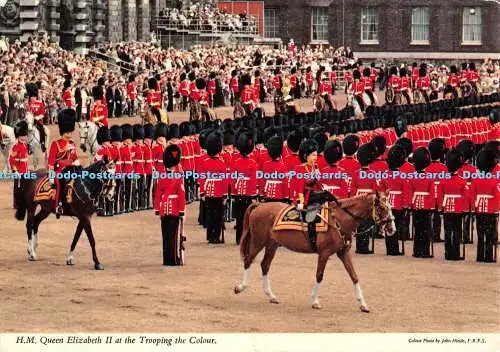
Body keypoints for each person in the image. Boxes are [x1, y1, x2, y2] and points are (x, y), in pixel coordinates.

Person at [291, 139, 327, 252]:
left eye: (316, 154)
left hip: (314, 194)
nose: (315, 157)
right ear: (305, 155)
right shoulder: (299, 168)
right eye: (313, 155)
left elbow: (318, 183)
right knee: (311, 217)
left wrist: (322, 185)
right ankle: (312, 241)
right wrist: (300, 202)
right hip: (305, 197)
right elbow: (299, 187)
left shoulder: (315, 167)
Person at [154, 144, 186, 266]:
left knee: (165, 236)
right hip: (174, 209)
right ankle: (173, 260)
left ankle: (166, 259)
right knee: (173, 236)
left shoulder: (162, 176)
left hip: (163, 209)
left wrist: (157, 208)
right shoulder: (178, 177)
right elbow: (181, 195)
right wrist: (182, 211)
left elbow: (158, 194)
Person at [47, 109, 79, 218]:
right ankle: (58, 205)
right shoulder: (55, 144)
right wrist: (51, 180)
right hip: (59, 170)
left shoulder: (72, 144)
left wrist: (78, 165)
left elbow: (75, 159)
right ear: (63, 131)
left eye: (70, 131)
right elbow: (51, 163)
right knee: (60, 182)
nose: (69, 133)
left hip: (72, 169)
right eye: (67, 131)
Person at [437, 149, 469, 261]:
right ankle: (455, 253)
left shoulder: (443, 181)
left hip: (447, 208)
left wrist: (440, 208)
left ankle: (448, 253)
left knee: (447, 231)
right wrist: (465, 209)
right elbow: (466, 197)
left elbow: (440, 196)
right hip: (458, 209)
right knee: (456, 231)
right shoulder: (462, 181)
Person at [350, 142, 381, 254]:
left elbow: (353, 189)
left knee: (359, 223)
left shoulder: (355, 173)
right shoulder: (373, 173)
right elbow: (375, 189)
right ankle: (364, 247)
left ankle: (359, 246)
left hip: (358, 199)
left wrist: (354, 200)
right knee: (366, 223)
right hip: (368, 200)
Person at [471, 149, 499, 263]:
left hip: (479, 209)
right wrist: (497, 210)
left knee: (480, 233)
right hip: (490, 209)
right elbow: (497, 198)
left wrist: (473, 209)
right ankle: (488, 256)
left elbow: (472, 196)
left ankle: (479, 256)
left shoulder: (475, 179)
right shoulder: (494, 181)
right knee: (489, 234)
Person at [230, 131, 258, 244]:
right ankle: (247, 238)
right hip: (247, 193)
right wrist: (253, 194)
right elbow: (253, 180)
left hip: (238, 193)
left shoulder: (235, 162)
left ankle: (238, 239)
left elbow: (232, 179)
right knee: (248, 218)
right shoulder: (253, 163)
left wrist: (233, 192)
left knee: (239, 218)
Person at [201, 131, 228, 244]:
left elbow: (202, 178)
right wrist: (225, 195)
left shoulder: (205, 161)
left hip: (208, 192)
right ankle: (216, 236)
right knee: (218, 216)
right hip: (218, 193)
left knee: (210, 215)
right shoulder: (222, 163)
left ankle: (210, 236)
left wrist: (202, 192)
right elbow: (224, 181)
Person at [409, 147, 434, 258]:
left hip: (416, 205)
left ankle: (417, 250)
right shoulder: (429, 177)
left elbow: (410, 193)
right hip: (426, 205)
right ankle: (425, 251)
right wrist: (432, 207)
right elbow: (433, 194)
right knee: (426, 229)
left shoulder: (412, 177)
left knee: (417, 228)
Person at [385, 145, 408, 256]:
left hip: (386, 203)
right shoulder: (402, 176)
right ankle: (394, 249)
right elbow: (405, 193)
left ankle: (389, 248)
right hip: (398, 203)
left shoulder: (385, 175)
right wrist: (405, 205)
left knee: (388, 225)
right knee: (396, 226)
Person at [427, 138, 448, 243]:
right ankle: (436, 235)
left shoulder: (426, 167)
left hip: (429, 194)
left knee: (428, 216)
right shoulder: (443, 168)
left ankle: (429, 234)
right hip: (439, 194)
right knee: (437, 216)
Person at [260, 135, 289, 203]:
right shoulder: (282, 165)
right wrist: (286, 197)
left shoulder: (265, 164)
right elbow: (285, 183)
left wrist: (261, 194)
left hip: (267, 194)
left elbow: (262, 181)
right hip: (280, 195)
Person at [9, 120, 29, 210]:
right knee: (17, 187)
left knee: (24, 187)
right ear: (18, 136)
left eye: (24, 135)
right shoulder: (17, 146)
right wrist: (15, 170)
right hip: (19, 170)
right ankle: (16, 204)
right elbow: (11, 159)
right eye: (21, 136)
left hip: (24, 169)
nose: (23, 137)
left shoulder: (24, 145)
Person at [94, 126, 113, 216]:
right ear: (103, 141)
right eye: (107, 141)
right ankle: (101, 209)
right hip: (102, 174)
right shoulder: (100, 151)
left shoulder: (109, 150)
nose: (108, 142)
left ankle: (108, 209)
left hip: (109, 173)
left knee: (109, 191)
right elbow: (96, 162)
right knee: (102, 192)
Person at [26, 83, 47, 152]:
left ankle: (42, 143)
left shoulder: (40, 103)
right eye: (31, 97)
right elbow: (27, 112)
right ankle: (26, 144)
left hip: (38, 121)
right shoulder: (29, 104)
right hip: (30, 121)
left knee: (42, 130)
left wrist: (36, 118)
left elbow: (43, 113)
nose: (32, 98)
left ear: (36, 97)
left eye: (34, 97)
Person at [120, 124, 134, 213]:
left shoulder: (132, 148)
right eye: (128, 140)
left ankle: (128, 206)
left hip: (130, 172)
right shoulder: (122, 149)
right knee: (122, 190)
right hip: (123, 172)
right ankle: (122, 207)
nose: (130, 142)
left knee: (129, 190)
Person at [109, 125, 123, 215]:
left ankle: (117, 208)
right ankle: (112, 209)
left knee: (118, 192)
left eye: (118, 141)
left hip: (120, 173)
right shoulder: (111, 150)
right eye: (116, 141)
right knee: (112, 192)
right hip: (113, 173)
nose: (117, 142)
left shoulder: (120, 149)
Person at [132, 124, 146, 211]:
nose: (140, 141)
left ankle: (142, 204)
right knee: (135, 189)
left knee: (142, 188)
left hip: (143, 170)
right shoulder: (133, 148)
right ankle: (134, 205)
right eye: (139, 139)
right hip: (135, 170)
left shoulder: (144, 148)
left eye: (141, 139)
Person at [143, 123, 155, 209]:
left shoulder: (152, 148)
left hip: (151, 169)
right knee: (145, 187)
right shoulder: (143, 148)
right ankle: (144, 203)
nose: (149, 141)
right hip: (144, 170)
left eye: (150, 140)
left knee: (151, 187)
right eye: (147, 140)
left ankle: (148, 202)